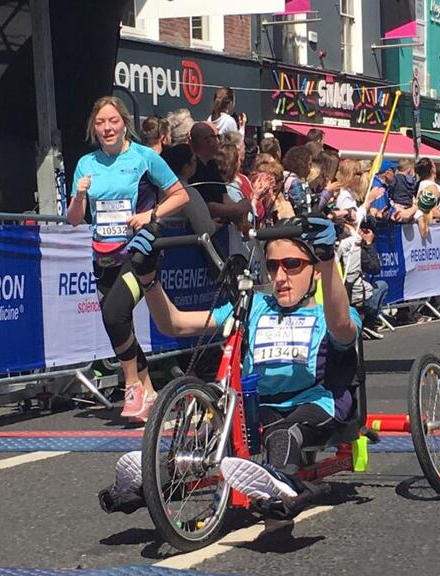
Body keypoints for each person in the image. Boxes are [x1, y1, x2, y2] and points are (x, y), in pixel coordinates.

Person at [129, 217, 360, 519]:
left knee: (282, 433)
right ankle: (148, 478)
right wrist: (148, 279)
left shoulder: (328, 312)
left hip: (316, 402)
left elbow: (342, 326)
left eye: (291, 264)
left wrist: (328, 260)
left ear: (314, 270)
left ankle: (283, 489)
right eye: (273, 265)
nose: (280, 276)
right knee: (216, 435)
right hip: (260, 405)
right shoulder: (255, 306)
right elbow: (173, 323)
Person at [67, 96, 190, 423]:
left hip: (139, 251)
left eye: (113, 121)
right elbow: (75, 219)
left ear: (125, 124)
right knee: (118, 325)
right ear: (94, 128)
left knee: (114, 313)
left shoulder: (144, 157)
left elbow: (181, 195)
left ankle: (133, 385)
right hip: (103, 255)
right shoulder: (86, 164)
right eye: (100, 123)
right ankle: (149, 391)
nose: (107, 128)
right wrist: (79, 195)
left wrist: (150, 214)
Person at [189, 121, 252, 226]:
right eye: (216, 136)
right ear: (208, 140)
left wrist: (240, 218)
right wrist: (238, 208)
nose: (219, 141)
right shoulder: (193, 167)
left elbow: (224, 197)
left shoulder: (212, 165)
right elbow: (206, 206)